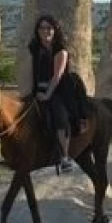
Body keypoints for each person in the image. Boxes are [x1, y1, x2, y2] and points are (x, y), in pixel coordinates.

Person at [25, 15, 90, 174]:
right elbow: (32, 72)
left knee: (59, 115)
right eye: (42, 28)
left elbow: (57, 76)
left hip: (59, 89)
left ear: (55, 30)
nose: (46, 31)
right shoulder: (35, 48)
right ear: (37, 31)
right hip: (40, 87)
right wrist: (31, 92)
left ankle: (64, 157)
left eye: (49, 28)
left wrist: (47, 95)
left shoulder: (60, 51)